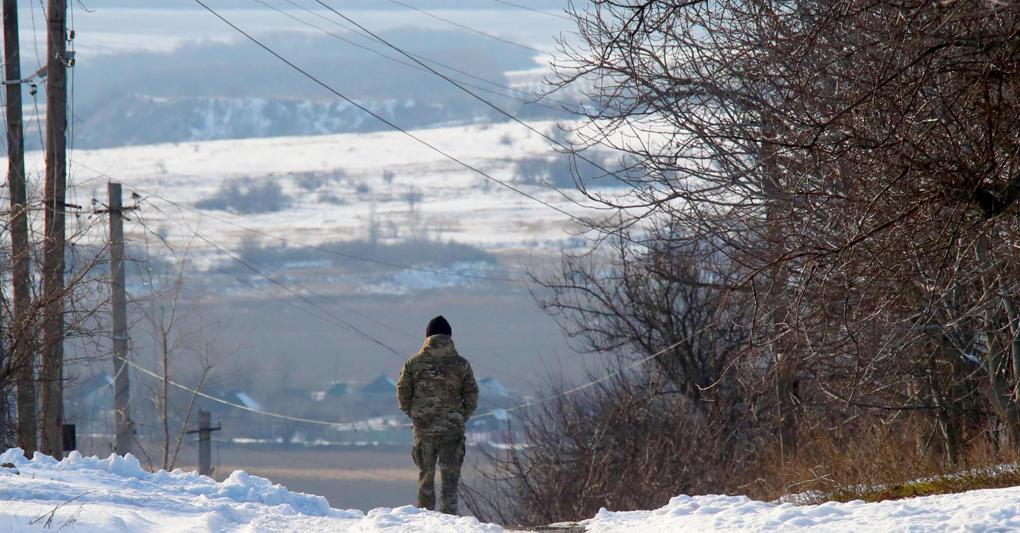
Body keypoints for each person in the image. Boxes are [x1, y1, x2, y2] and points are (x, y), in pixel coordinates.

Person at [396, 315, 479, 514]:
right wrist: (460, 416)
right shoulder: (461, 364)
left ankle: (425, 521)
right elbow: (472, 395)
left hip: (423, 429)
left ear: (427, 337)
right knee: (450, 480)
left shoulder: (413, 363)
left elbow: (402, 391)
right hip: (452, 428)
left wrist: (415, 414)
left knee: (426, 478)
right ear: (450, 336)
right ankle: (448, 522)